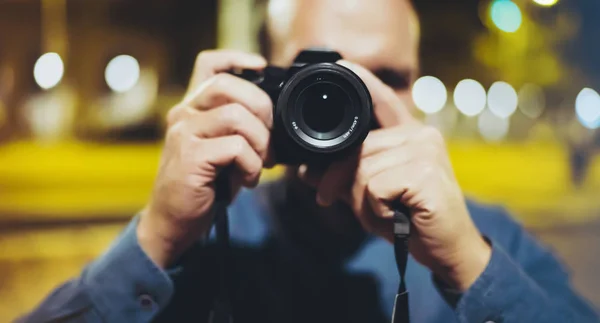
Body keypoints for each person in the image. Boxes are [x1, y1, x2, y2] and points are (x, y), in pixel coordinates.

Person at [20, 0, 600, 322]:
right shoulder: (201, 242)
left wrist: (469, 266)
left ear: (419, 88)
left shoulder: (486, 240)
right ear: (264, 82)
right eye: (320, 77)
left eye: (387, 78)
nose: (356, 100)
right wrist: (158, 238)